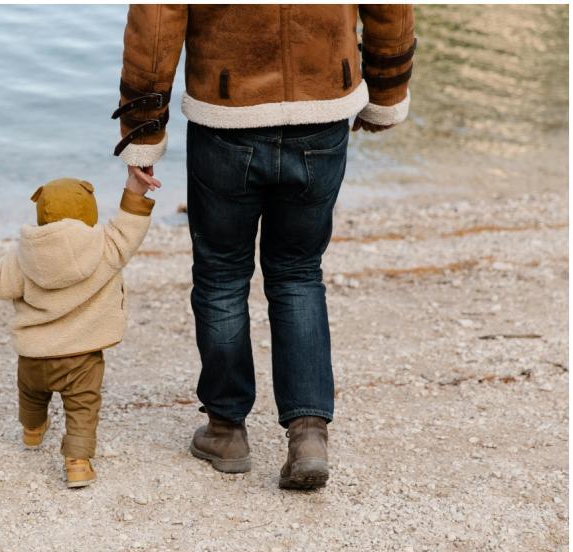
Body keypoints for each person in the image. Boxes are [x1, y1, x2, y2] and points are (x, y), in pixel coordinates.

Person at [112, 5, 415, 489]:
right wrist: (386, 93)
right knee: (298, 272)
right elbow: (388, 8)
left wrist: (143, 136)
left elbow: (156, 23)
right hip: (323, 109)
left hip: (227, 119)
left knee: (221, 276)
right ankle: (308, 432)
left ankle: (226, 429)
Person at [0, 174, 155, 488]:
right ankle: (77, 463)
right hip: (82, 358)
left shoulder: (23, 258)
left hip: (34, 356)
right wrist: (135, 190)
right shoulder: (107, 245)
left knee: (32, 396)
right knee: (82, 408)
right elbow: (132, 226)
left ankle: (32, 430)